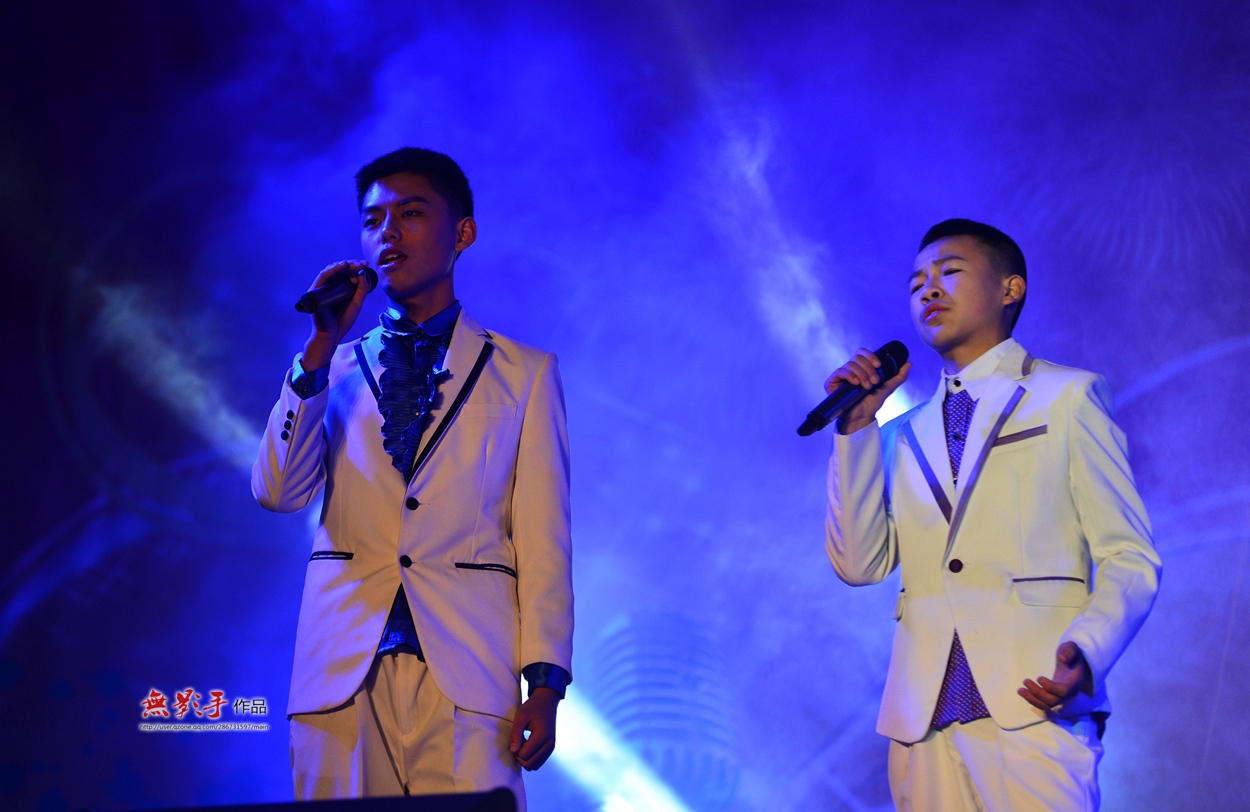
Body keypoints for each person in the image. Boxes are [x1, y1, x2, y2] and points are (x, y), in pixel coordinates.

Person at [252, 147, 573, 809]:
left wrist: (545, 682)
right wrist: (317, 350)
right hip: (340, 673)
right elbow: (278, 492)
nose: (388, 232)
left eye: (411, 213)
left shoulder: (525, 373)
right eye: (373, 220)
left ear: (463, 232)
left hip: (468, 671)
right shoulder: (331, 370)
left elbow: (544, 538)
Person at [823, 219, 1160, 810]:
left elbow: (1129, 556)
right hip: (922, 723)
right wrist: (855, 429)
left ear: (1010, 288)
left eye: (949, 272)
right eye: (916, 284)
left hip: (1035, 705)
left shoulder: (1067, 396)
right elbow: (859, 565)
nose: (929, 290)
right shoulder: (897, 434)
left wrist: (1088, 649)